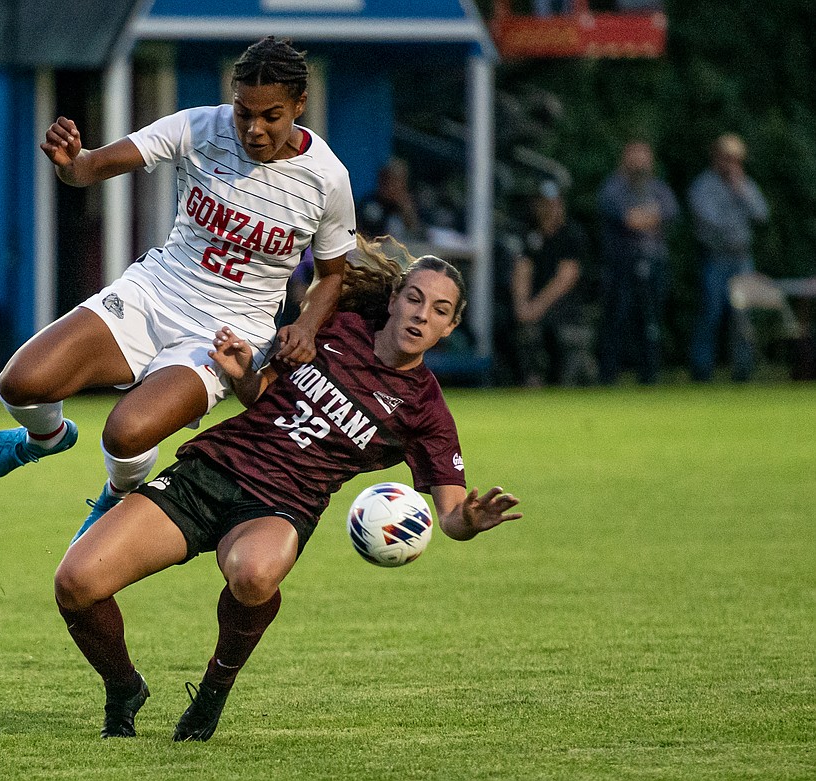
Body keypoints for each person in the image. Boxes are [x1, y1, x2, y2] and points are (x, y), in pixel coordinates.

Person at [53, 236, 522, 741]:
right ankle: (124, 687)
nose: (421, 314)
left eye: (439, 310)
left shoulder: (426, 410)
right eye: (414, 298)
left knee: (254, 576)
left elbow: (451, 516)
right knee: (75, 583)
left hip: (281, 505)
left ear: (450, 327)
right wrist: (240, 376)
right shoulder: (334, 326)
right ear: (393, 300)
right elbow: (260, 393)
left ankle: (213, 690)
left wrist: (468, 522)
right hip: (210, 470)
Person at [0, 37, 356, 541]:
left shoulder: (327, 178)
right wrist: (69, 161)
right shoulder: (198, 127)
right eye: (243, 112)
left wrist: (304, 324)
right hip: (156, 291)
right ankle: (44, 438)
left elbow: (333, 274)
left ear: (299, 105)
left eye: (271, 116)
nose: (253, 129)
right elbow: (89, 169)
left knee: (125, 434)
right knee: (18, 384)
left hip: (229, 333)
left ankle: (117, 496)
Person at [687, 133, 770, 382]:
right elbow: (711, 222)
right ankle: (702, 372)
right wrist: (737, 221)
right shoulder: (703, 186)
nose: (731, 164)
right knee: (710, 313)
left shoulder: (745, 184)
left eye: (736, 160)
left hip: (742, 259)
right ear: (717, 158)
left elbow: (761, 214)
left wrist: (740, 190)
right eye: (727, 159)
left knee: (742, 317)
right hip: (715, 258)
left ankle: (743, 371)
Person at [597, 140, 680, 384]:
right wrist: (648, 216)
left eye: (644, 157)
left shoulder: (659, 188)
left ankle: (649, 376)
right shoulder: (612, 189)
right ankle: (608, 376)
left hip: (654, 261)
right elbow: (630, 220)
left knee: (651, 320)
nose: (640, 163)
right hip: (621, 263)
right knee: (617, 318)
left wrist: (642, 217)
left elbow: (669, 213)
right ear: (625, 158)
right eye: (635, 157)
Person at [510, 181, 596, 386]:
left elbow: (566, 278)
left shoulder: (571, 234)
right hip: (536, 304)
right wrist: (522, 305)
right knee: (514, 324)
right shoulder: (530, 234)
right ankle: (531, 381)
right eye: (543, 203)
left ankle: (560, 380)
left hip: (565, 304)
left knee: (553, 330)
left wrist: (536, 307)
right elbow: (523, 269)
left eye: (553, 203)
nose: (548, 209)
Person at [356, 157, 419, 242]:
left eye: (401, 181)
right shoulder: (371, 205)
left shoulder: (404, 205)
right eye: (393, 180)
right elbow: (369, 237)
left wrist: (407, 212)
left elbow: (417, 234)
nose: (397, 186)